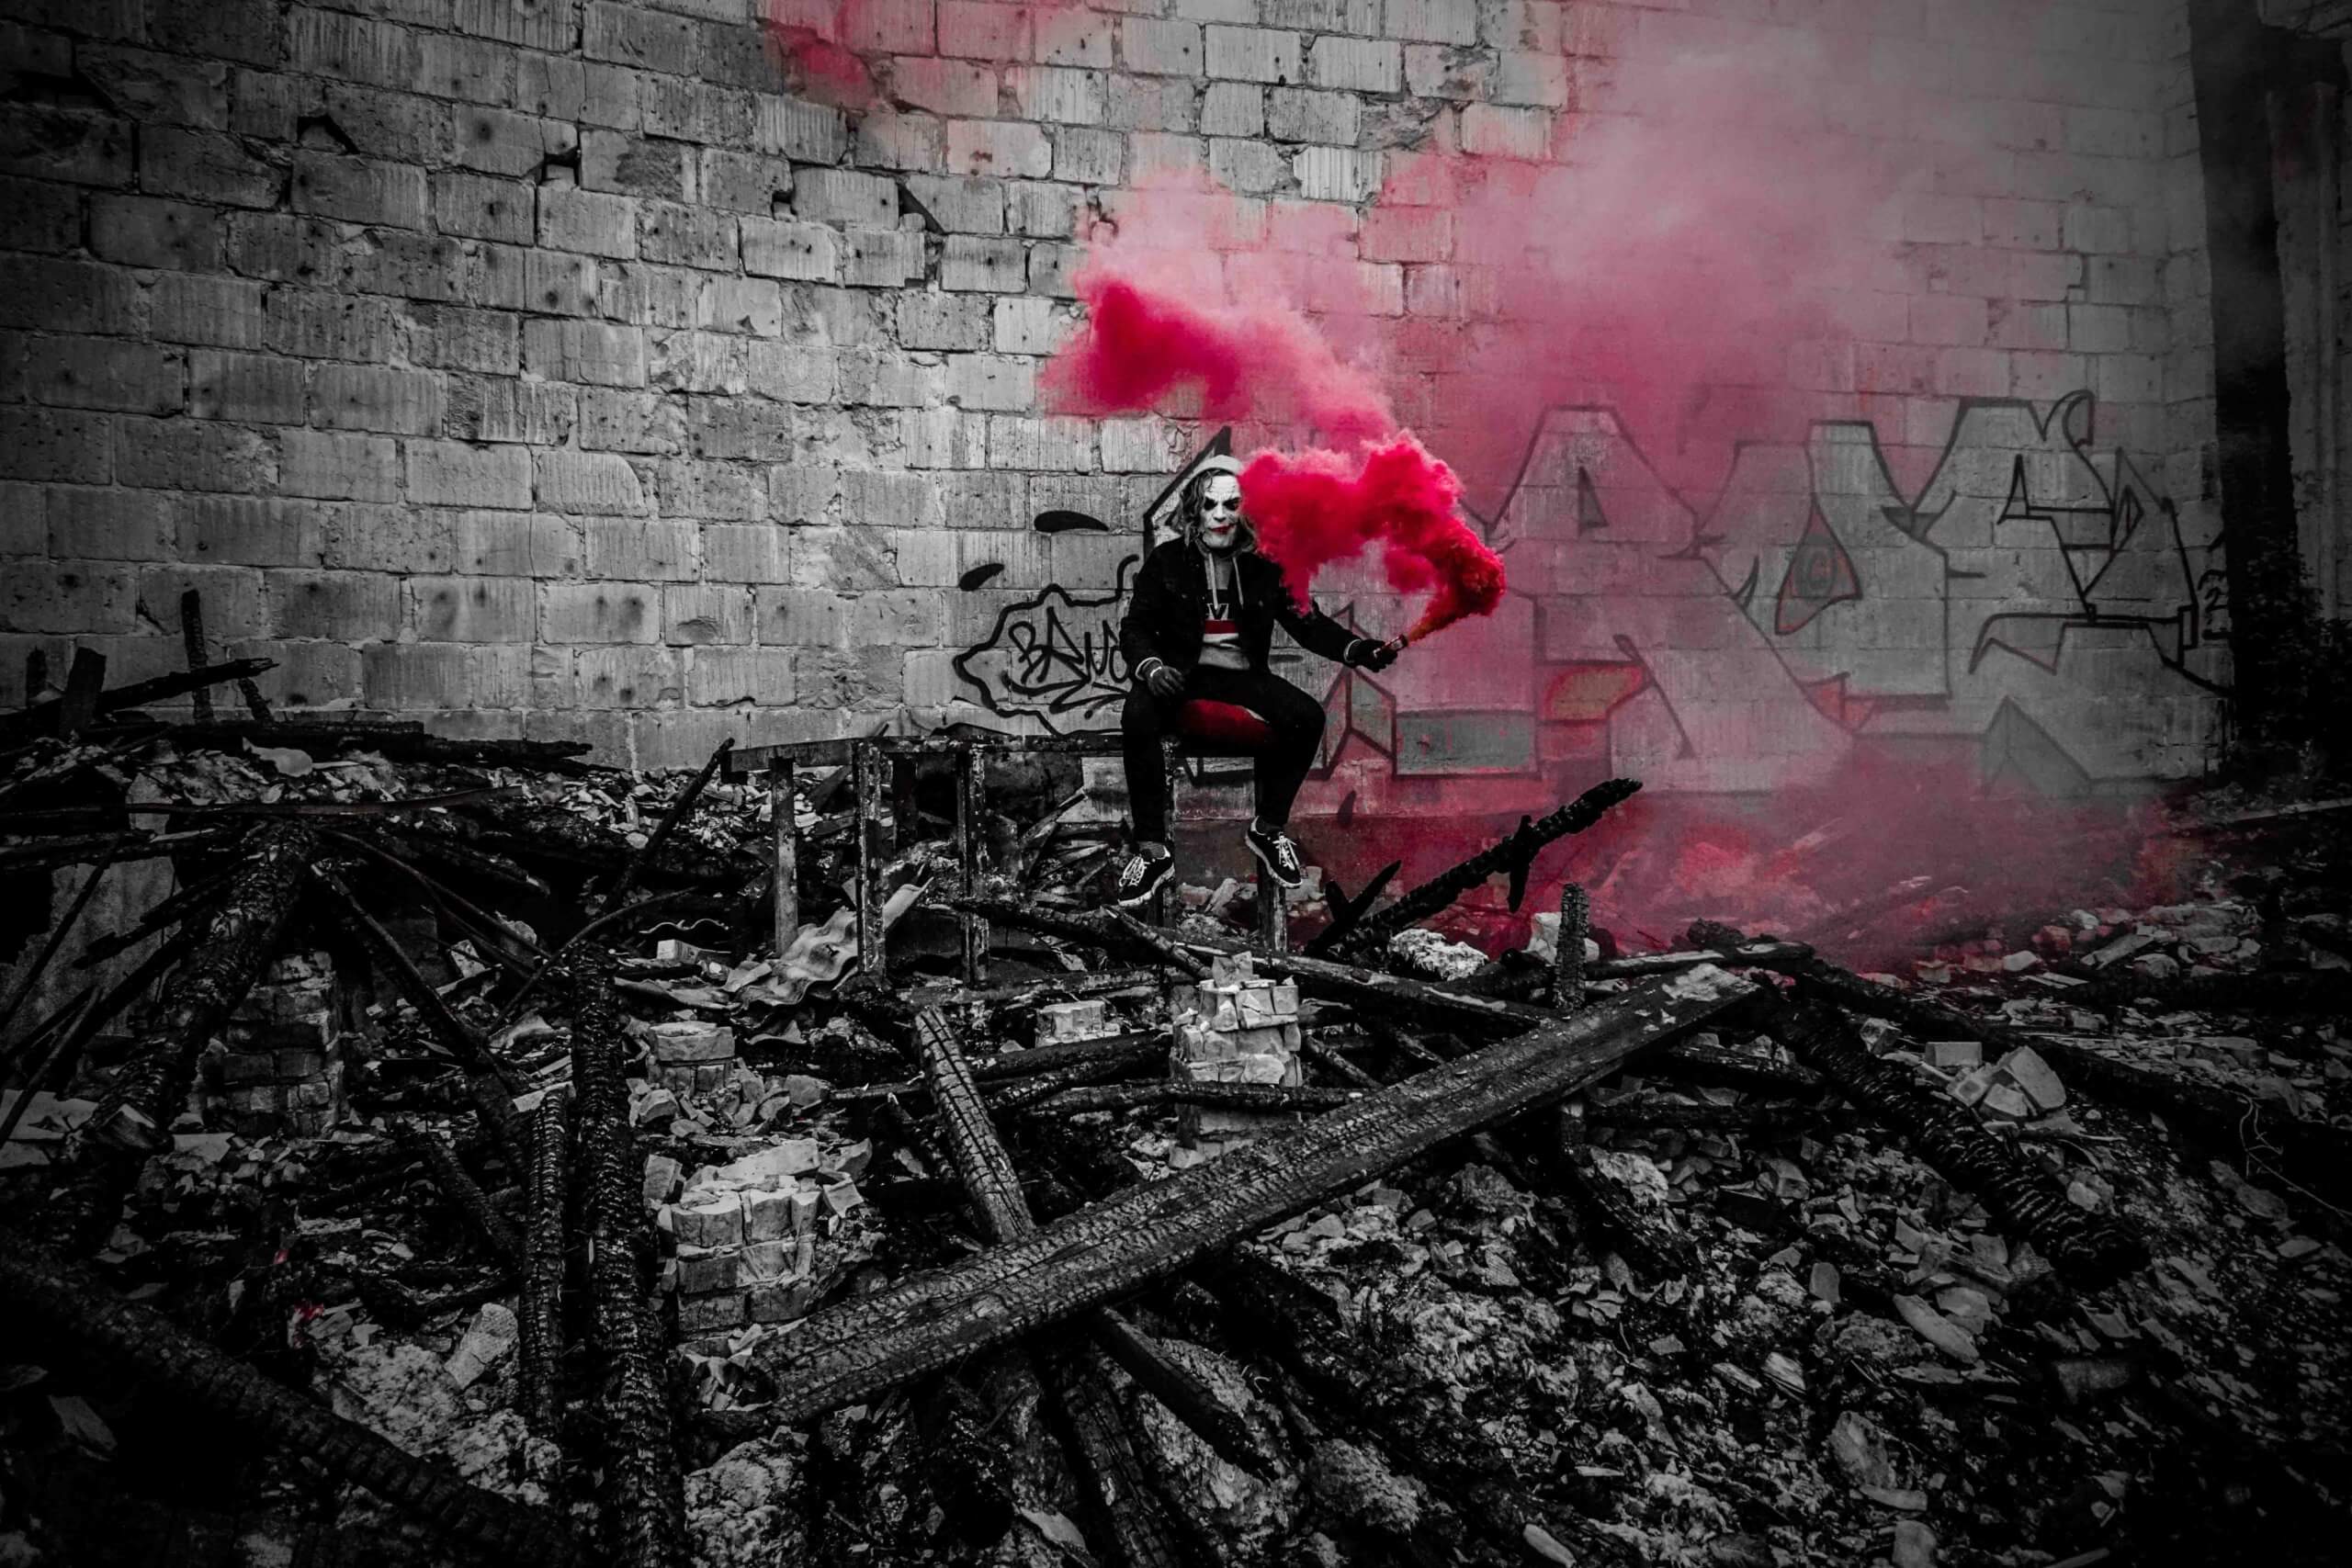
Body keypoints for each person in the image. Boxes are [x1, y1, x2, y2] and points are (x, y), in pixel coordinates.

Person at [1110, 456, 1400, 908]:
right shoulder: (1167, 561)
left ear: (1246, 510)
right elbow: (1136, 627)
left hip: (1242, 676)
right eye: (1210, 505)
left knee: (1306, 717)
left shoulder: (1267, 566)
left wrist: (1360, 651)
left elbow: (1308, 624)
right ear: (1194, 509)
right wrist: (1151, 668)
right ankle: (1153, 850)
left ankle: (1267, 830)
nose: (1220, 516)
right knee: (1138, 714)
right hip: (1179, 674)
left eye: (1231, 505)